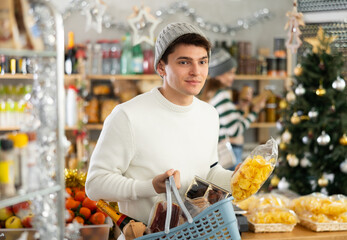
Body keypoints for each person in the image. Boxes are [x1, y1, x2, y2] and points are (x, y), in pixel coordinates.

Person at [85, 23, 236, 232]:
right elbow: (94, 185)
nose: (196, 71)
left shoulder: (210, 115)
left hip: (198, 235)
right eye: (184, 62)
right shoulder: (127, 116)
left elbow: (208, 174)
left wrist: (237, 179)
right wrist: (150, 187)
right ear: (161, 67)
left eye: (202, 62)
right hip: (144, 236)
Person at [200, 48, 266, 169]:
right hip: (231, 152)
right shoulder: (222, 96)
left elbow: (229, 124)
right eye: (230, 72)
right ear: (219, 74)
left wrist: (241, 107)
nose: (233, 76)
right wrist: (255, 111)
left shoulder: (212, 95)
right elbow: (236, 130)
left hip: (226, 151)